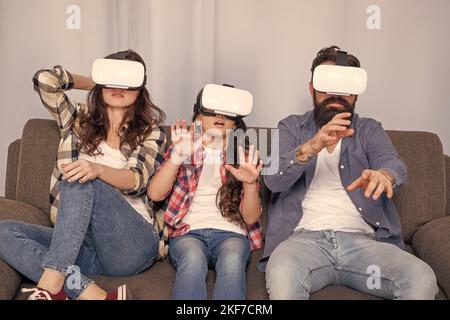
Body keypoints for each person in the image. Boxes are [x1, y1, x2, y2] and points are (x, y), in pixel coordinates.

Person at [260, 46, 438, 300]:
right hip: (302, 243)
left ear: (355, 93)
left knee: (421, 277)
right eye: (328, 85)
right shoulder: (290, 127)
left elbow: (391, 161)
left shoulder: (368, 129)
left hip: (364, 245)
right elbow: (273, 180)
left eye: (345, 87)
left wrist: (385, 175)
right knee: (282, 275)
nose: (336, 94)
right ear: (312, 89)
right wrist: (311, 147)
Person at [0, 50, 166, 300]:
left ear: (140, 86)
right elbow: (45, 80)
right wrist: (95, 81)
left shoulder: (150, 131)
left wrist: (97, 169)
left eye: (126, 79)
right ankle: (93, 294)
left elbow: (137, 180)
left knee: (80, 177)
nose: (117, 85)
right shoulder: (78, 119)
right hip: (79, 244)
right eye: (111, 78)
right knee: (4, 232)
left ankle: (49, 287)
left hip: (130, 243)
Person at [148, 86, 263, 300]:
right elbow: (155, 194)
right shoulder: (183, 145)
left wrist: (250, 183)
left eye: (226, 112)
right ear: (198, 114)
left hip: (231, 234)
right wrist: (177, 156)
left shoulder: (244, 155)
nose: (219, 116)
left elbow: (251, 218)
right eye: (212, 110)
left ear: (236, 121)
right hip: (188, 232)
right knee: (192, 259)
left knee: (232, 260)